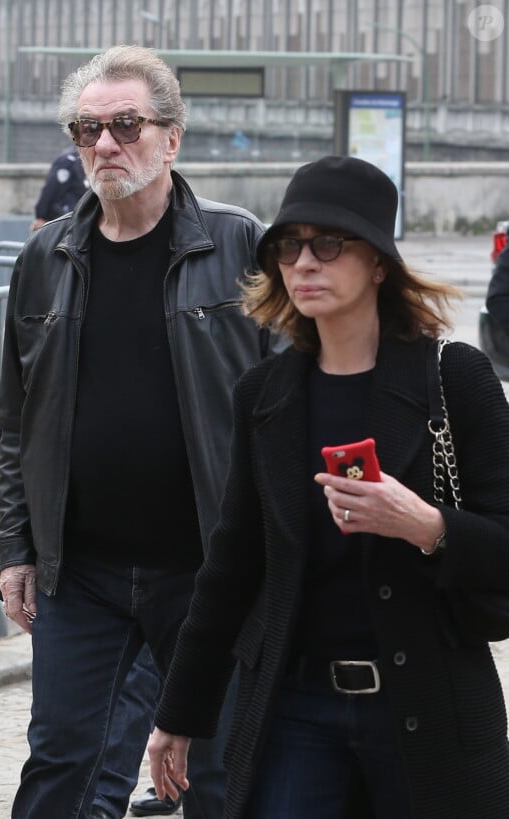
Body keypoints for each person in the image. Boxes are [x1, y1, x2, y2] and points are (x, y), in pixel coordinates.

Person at [149, 155, 509, 819]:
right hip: (297, 710)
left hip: (428, 707)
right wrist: (179, 715)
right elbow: (231, 566)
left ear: (378, 262)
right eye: (289, 245)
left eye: (329, 243)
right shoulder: (265, 394)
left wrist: (429, 527)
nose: (304, 262)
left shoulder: (453, 379)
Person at [0, 43, 277, 819]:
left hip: (207, 568)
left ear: (171, 137)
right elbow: (18, 418)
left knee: (220, 774)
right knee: (62, 768)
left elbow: (286, 410)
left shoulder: (238, 245)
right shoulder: (45, 257)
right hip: (81, 574)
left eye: (125, 125)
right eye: (87, 129)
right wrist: (16, 549)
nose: (105, 145)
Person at [0, 429, 180, 819]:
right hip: (82, 545)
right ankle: (101, 803)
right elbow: (27, 390)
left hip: (181, 540)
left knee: (158, 688)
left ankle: (128, 791)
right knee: (75, 725)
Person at [30, 145, 89, 231]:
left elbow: (51, 188)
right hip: (79, 218)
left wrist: (41, 215)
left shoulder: (67, 160)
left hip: (66, 220)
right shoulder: (75, 159)